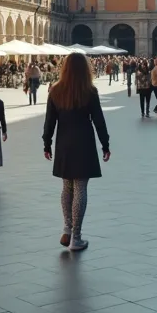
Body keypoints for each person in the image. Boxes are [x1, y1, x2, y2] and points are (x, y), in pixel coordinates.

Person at [42, 52, 110, 251]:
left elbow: (49, 121)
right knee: (80, 188)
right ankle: (76, 237)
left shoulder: (55, 90)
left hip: (64, 142)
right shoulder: (89, 91)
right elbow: (98, 120)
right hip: (84, 142)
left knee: (67, 187)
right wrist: (105, 144)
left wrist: (47, 143)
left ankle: (67, 228)